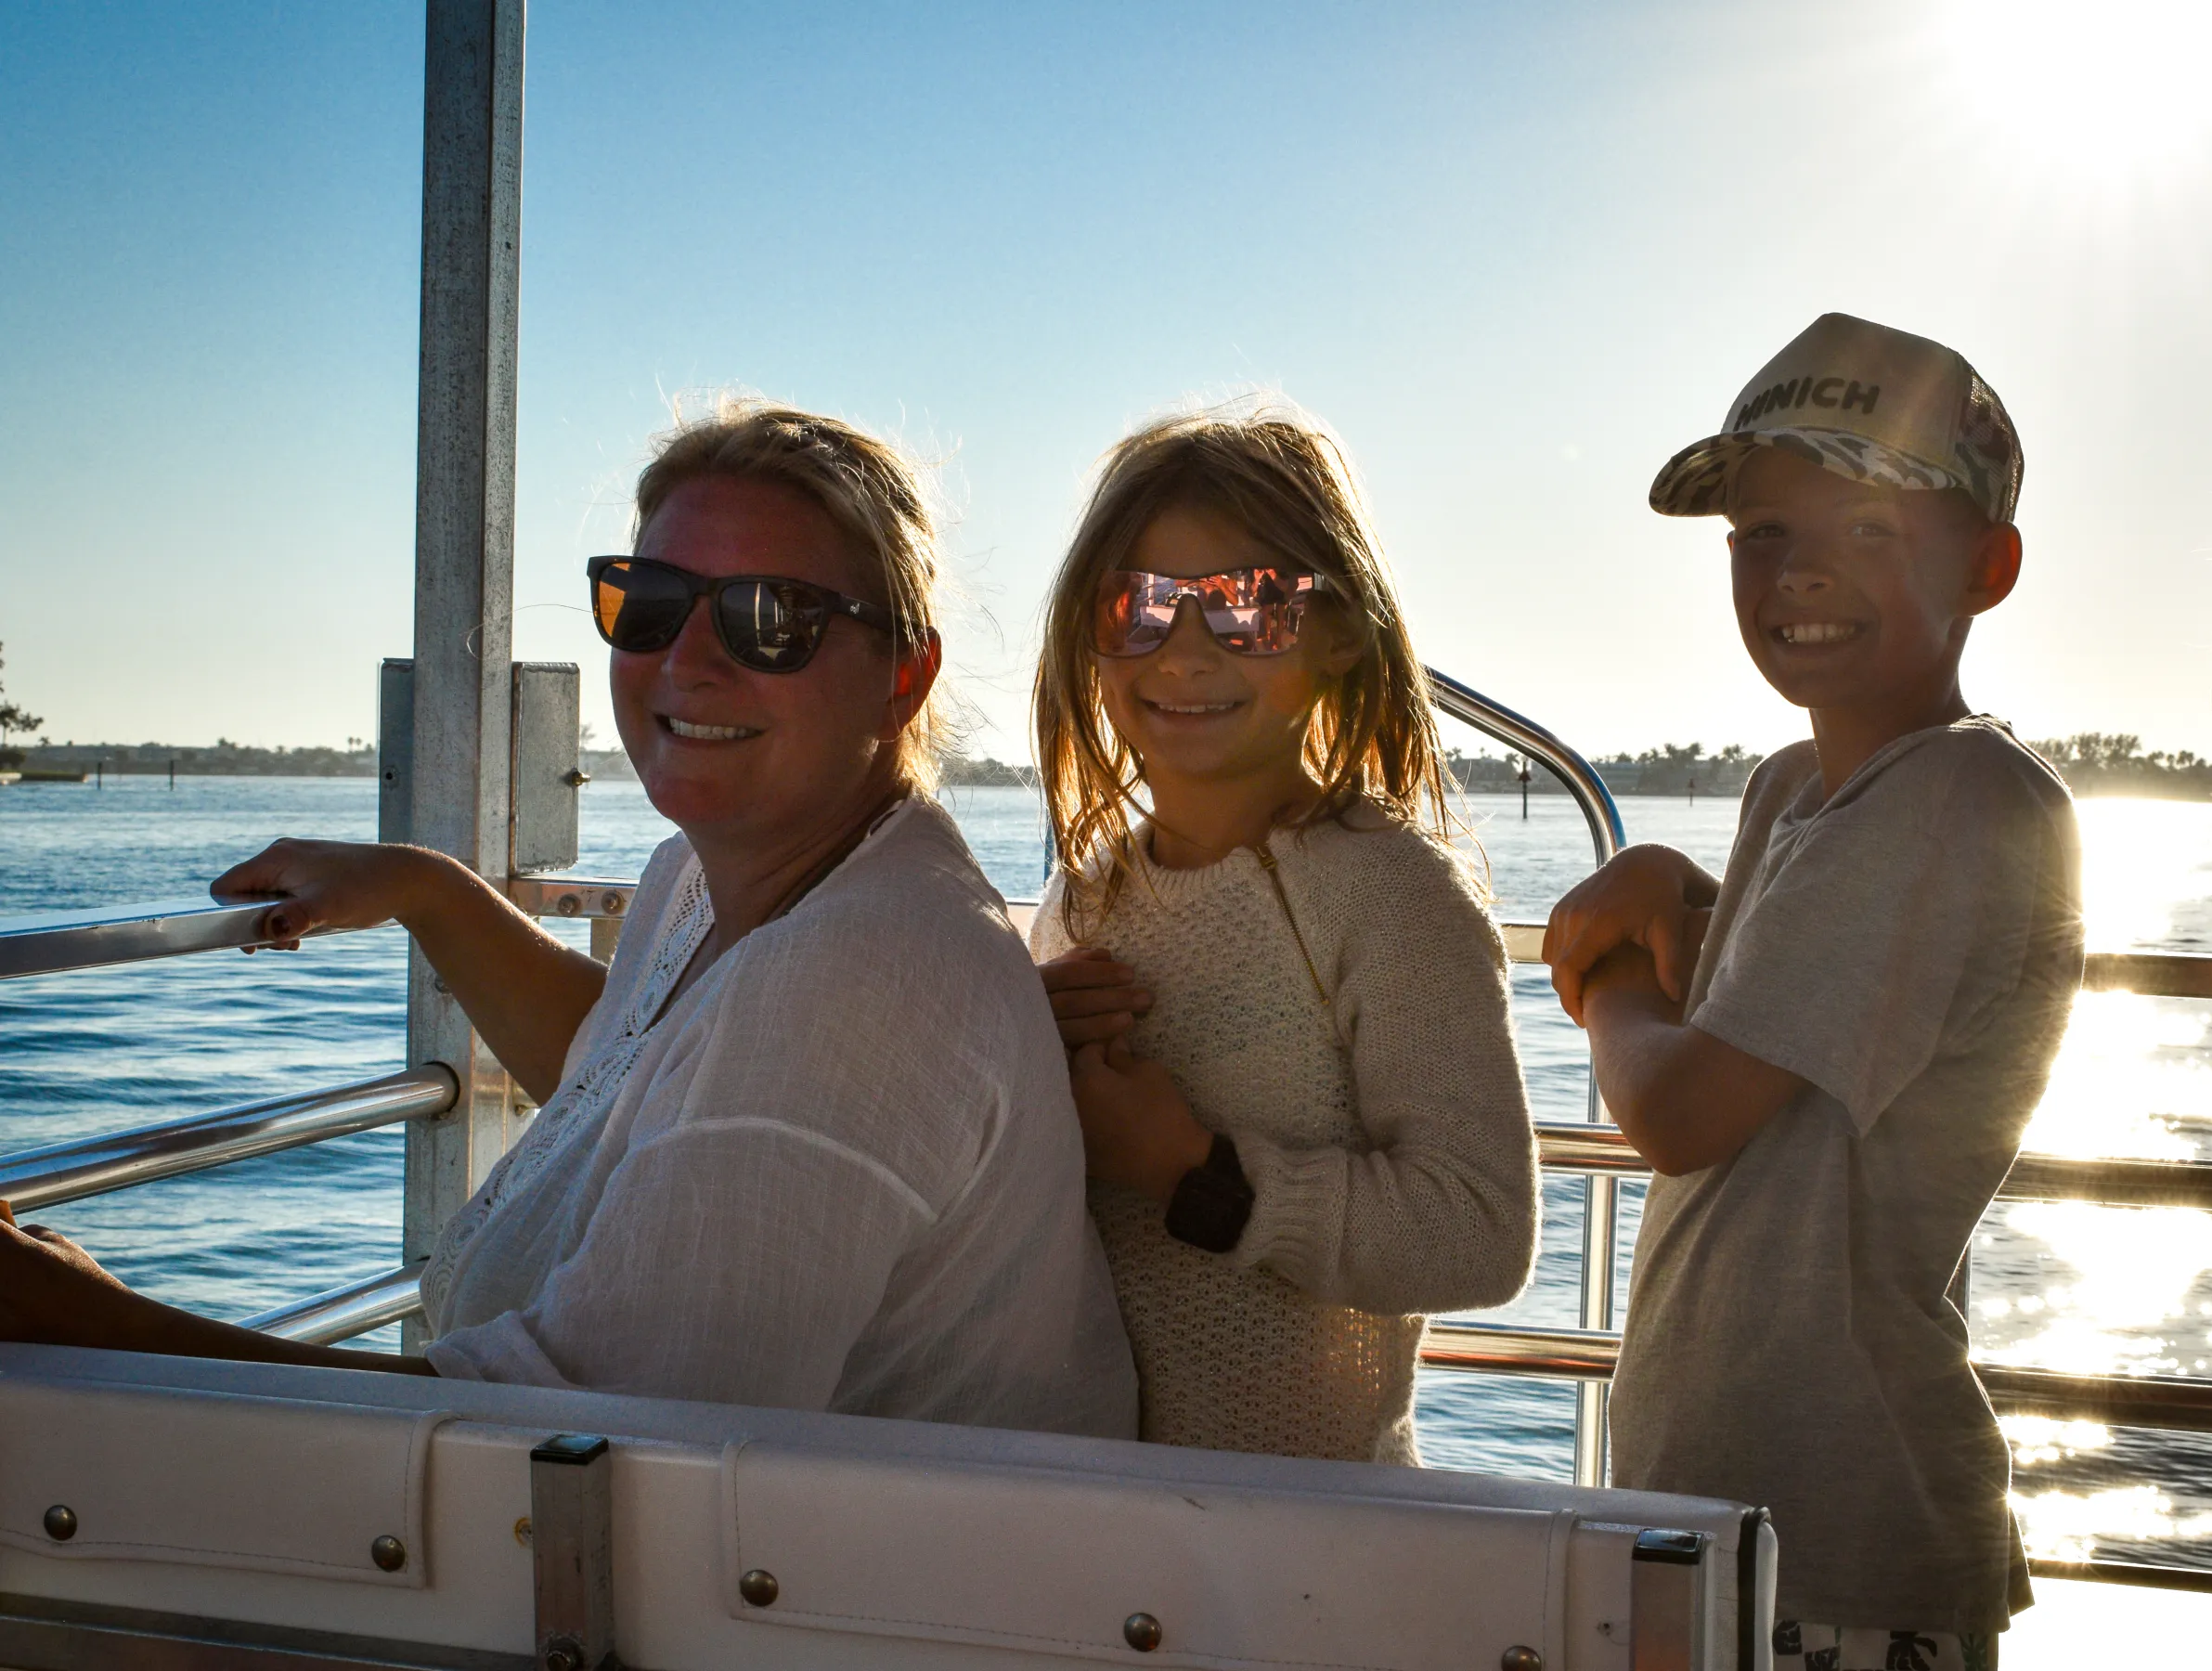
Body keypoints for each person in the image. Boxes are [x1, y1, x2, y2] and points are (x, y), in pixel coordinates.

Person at [0, 401, 1138, 1442]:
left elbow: (584, 1449)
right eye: (646, 604)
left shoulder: (857, 982)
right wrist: (433, 891)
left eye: (770, 619)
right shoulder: (713, 882)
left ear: (906, 674)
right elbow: (634, 1080)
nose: (687, 660)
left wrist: (85, 1321)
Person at [1543, 315, 2082, 1668]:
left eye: (1875, 530)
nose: (1804, 572)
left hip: (1843, 1546)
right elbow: (1767, 994)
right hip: (1719, 1513)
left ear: (1991, 565)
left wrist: (1606, 969)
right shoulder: (1797, 789)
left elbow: (1683, 1107)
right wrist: (1671, 877)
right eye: (1763, 534)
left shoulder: (1959, 795)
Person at [1029, 401, 1539, 1464]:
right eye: (1137, 606)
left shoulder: (1391, 895)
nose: (1181, 649)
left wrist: (1195, 1173)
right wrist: (1016, 1055)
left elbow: (1481, 1232)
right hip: (1083, 1503)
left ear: (1342, 632)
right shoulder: (1082, 902)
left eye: (1245, 606)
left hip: (1310, 1534)